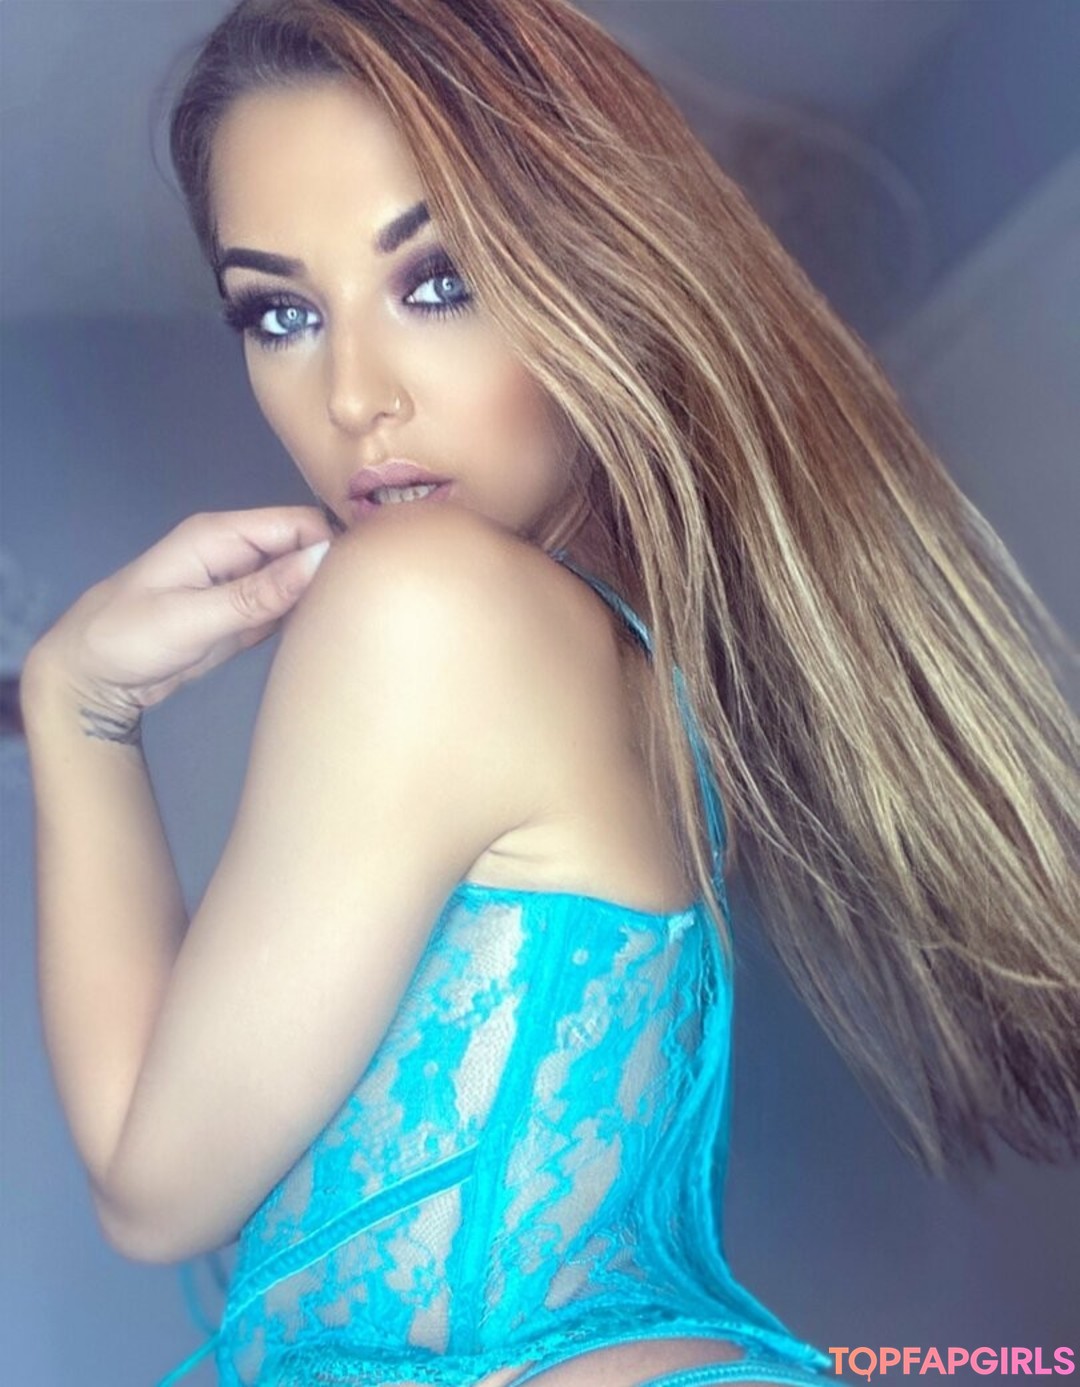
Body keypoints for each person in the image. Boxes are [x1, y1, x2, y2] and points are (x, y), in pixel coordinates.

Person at [21, 1, 1079, 1385]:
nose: (353, 398)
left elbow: (150, 1188)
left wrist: (79, 705)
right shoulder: (620, 658)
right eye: (282, 313)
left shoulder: (432, 603)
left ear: (594, 274)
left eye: (438, 282)